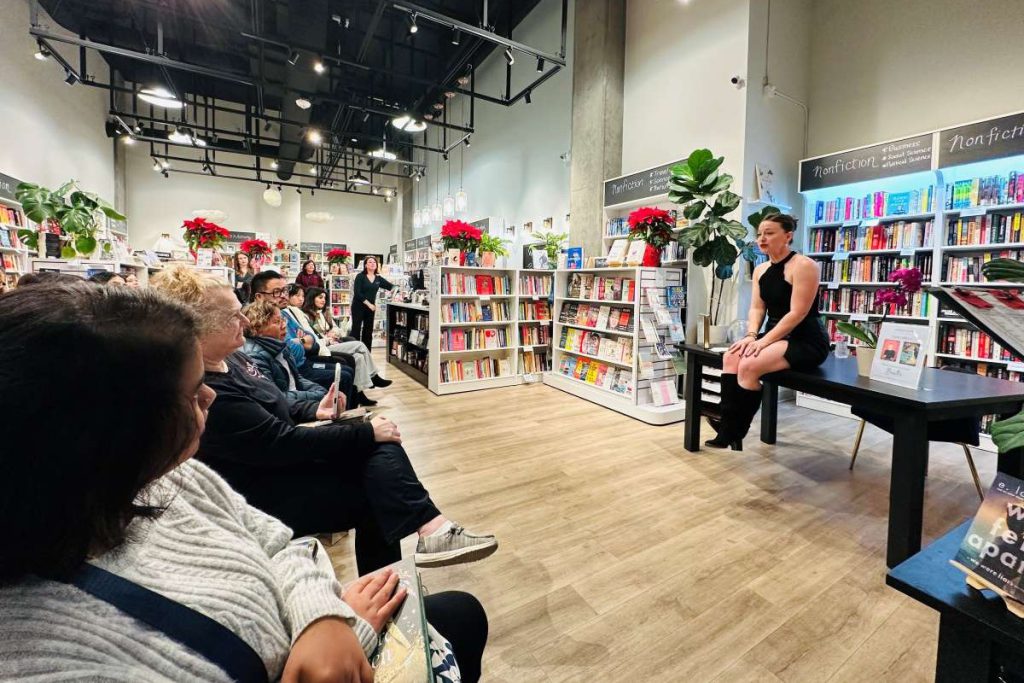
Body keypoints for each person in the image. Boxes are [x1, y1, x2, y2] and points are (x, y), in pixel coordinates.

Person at [0, 280, 488, 682]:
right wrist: (348, 627)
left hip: (313, 614)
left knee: (459, 607)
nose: (209, 396)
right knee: (375, 462)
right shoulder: (52, 652)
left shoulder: (171, 480)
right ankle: (426, 527)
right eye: (192, 393)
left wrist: (323, 616)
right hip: (288, 532)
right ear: (115, 429)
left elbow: (282, 545)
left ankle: (423, 529)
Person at [152, 265, 499, 574]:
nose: (245, 319)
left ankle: (427, 534)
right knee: (374, 475)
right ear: (194, 325)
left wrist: (312, 411)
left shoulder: (234, 361)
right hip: (263, 490)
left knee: (379, 446)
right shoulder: (210, 390)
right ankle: (416, 552)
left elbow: (276, 404)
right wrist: (364, 433)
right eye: (232, 315)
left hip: (281, 459)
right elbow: (277, 443)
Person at [706, 213, 829, 450]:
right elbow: (756, 307)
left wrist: (763, 343)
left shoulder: (804, 265)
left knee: (749, 364)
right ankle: (728, 425)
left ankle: (734, 430)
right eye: (760, 234)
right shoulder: (761, 269)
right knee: (731, 356)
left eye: (769, 233)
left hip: (805, 339)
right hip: (774, 336)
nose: (762, 239)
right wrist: (752, 336)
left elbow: (797, 314)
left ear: (788, 236)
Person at [242, 298, 353, 404]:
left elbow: (297, 378)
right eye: (277, 322)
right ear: (256, 328)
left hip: (296, 402)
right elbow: (277, 398)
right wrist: (318, 396)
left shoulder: (279, 346)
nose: (284, 325)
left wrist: (320, 392)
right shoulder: (255, 357)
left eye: (283, 320)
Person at [351, 256, 392, 349]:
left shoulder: (378, 278)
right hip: (358, 306)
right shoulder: (360, 276)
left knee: (368, 330)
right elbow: (357, 293)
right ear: (365, 265)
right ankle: (354, 350)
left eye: (374, 262)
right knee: (356, 329)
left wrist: (398, 290)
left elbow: (390, 286)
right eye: (370, 262)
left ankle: (367, 352)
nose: (373, 263)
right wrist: (369, 304)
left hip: (371, 308)